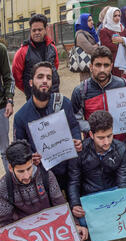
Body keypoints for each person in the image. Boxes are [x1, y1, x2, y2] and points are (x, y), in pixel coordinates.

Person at [0, 141, 94, 241]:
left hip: (50, 228)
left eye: (29, 168)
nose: (27, 176)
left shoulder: (46, 175)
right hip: (26, 234)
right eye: (21, 171)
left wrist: (75, 225)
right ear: (10, 168)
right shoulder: (3, 187)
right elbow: (4, 222)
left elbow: (60, 205)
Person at [13, 61, 82, 192]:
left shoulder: (64, 103)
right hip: (41, 174)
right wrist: (30, 156)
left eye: (48, 77)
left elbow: (74, 126)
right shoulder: (20, 117)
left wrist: (77, 139)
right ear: (31, 82)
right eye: (40, 77)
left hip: (68, 167)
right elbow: (19, 148)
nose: (45, 81)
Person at [67, 111, 126, 226]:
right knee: (83, 221)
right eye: (101, 138)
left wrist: (123, 202)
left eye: (109, 136)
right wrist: (75, 204)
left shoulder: (121, 148)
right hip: (90, 197)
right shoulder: (80, 152)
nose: (106, 142)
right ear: (91, 135)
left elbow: (123, 181)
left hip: (113, 193)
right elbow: (73, 181)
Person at [71, 46, 126, 142]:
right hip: (92, 148)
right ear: (91, 67)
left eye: (106, 65)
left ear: (111, 66)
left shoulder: (124, 85)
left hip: (119, 146)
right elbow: (75, 120)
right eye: (98, 65)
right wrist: (95, 128)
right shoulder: (80, 91)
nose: (102, 70)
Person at [12, 14, 59, 100]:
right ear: (30, 31)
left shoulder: (52, 47)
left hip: (53, 95)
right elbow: (16, 76)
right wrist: (28, 89)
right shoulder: (22, 51)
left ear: (45, 29)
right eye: (34, 30)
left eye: (40, 30)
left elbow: (55, 66)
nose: (37, 32)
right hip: (33, 98)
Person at [100, 7, 126, 80]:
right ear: (110, 16)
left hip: (124, 59)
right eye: (115, 16)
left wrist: (122, 40)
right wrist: (122, 43)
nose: (117, 18)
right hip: (112, 60)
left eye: (119, 15)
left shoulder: (122, 28)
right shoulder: (104, 30)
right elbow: (107, 46)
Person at [0, 42, 14, 172]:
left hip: (0, 108)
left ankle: (11, 185)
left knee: (4, 150)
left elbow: (8, 78)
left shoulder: (1, 49)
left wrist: (9, 101)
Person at [75, 13, 100, 82]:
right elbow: (90, 49)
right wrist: (98, 45)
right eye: (89, 20)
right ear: (83, 22)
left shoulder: (90, 32)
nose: (92, 22)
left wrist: (96, 45)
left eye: (92, 20)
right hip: (87, 68)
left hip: (93, 64)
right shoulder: (80, 34)